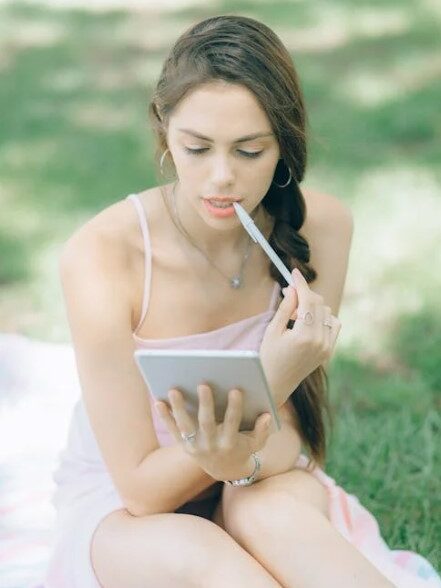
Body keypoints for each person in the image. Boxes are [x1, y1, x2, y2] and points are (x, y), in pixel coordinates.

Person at [43, 14, 441, 588]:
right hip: (128, 503)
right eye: (197, 148)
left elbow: (299, 438)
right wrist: (267, 385)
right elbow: (142, 490)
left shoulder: (322, 227)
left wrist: (240, 466)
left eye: (250, 151)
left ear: (285, 143)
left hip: (263, 471)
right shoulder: (103, 255)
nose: (222, 177)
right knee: (204, 556)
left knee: (268, 515)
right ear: (164, 130)